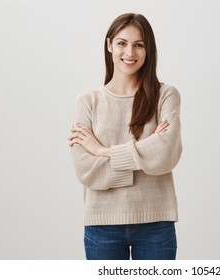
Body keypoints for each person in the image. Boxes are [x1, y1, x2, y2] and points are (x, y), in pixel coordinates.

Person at [68, 13, 182, 260]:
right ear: (109, 45)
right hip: (102, 224)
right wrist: (144, 155)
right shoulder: (87, 102)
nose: (130, 52)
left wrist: (103, 151)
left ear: (148, 50)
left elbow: (165, 155)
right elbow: (87, 171)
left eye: (139, 45)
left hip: (156, 222)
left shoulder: (165, 96)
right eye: (122, 43)